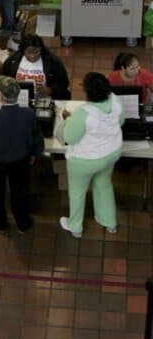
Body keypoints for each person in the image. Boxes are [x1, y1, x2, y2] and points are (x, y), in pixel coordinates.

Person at [0, 76, 44, 234]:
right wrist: (35, 154)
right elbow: (37, 137)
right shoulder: (29, 114)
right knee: (20, 192)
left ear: (1, 97)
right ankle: (22, 223)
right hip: (21, 161)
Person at [57, 72, 124, 239]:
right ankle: (109, 222)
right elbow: (120, 121)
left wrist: (66, 120)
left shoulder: (84, 112)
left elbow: (70, 137)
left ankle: (76, 227)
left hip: (84, 161)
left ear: (88, 93)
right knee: (104, 184)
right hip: (111, 154)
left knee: (77, 192)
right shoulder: (116, 100)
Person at [0, 33, 71, 99]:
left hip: (45, 99)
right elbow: (1, 77)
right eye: (29, 52)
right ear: (23, 50)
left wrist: (50, 90)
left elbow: (63, 83)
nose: (32, 56)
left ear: (41, 50)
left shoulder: (52, 61)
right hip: (18, 98)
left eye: (36, 52)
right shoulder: (13, 60)